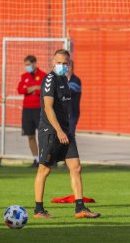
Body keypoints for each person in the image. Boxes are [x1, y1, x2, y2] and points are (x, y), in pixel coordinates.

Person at [34, 49, 100, 219]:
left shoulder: (64, 79)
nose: (62, 66)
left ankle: (80, 208)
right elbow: (48, 107)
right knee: (44, 170)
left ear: (69, 64)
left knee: (76, 167)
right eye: (59, 63)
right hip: (51, 131)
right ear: (52, 62)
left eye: (65, 63)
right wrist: (58, 130)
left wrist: (65, 130)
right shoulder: (50, 79)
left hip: (65, 132)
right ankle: (38, 210)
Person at [17, 55, 47, 167]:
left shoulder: (43, 75)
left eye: (28, 65)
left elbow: (45, 90)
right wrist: (33, 88)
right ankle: (36, 159)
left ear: (34, 64)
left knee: (42, 135)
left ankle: (45, 159)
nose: (27, 67)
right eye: (25, 65)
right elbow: (20, 89)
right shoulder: (24, 76)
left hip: (39, 109)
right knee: (30, 135)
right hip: (27, 110)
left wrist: (36, 89)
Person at [67, 60, 82, 137]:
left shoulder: (76, 80)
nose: (67, 69)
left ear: (72, 68)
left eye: (68, 67)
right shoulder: (61, 80)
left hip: (72, 113)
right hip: (62, 113)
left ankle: (71, 149)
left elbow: (68, 92)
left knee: (70, 135)